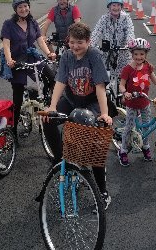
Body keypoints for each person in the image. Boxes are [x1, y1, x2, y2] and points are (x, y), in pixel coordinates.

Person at [42, 22, 113, 209]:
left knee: (94, 142)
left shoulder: (94, 55)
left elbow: (99, 87)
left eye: (80, 42)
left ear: (88, 42)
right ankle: (60, 159)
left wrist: (104, 114)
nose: (75, 46)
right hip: (72, 99)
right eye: (72, 42)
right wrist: (52, 106)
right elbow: (60, 83)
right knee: (48, 120)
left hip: (92, 102)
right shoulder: (66, 56)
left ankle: (102, 190)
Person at [0, 0, 56, 137]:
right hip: (17, 60)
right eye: (20, 7)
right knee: (17, 97)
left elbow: (40, 41)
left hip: (31, 56)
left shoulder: (33, 23)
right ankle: (13, 130)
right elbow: (6, 44)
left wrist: (49, 53)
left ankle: (47, 104)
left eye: (26, 6)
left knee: (51, 77)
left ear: (29, 7)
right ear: (16, 9)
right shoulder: (8, 24)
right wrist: (9, 59)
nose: (24, 9)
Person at [118, 38, 156, 166]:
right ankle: (123, 151)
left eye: (142, 54)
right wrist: (125, 93)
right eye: (136, 54)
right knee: (129, 128)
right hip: (132, 104)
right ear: (132, 54)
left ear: (146, 54)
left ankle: (145, 147)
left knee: (147, 127)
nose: (139, 57)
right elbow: (122, 85)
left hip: (144, 103)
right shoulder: (128, 69)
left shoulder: (147, 67)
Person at [90, 0, 135, 78]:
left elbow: (130, 32)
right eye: (113, 5)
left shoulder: (126, 18)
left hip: (122, 51)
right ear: (109, 7)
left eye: (118, 5)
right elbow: (96, 32)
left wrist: (129, 43)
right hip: (107, 52)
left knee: (125, 78)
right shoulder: (104, 19)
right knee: (104, 77)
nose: (116, 8)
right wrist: (91, 44)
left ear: (121, 7)